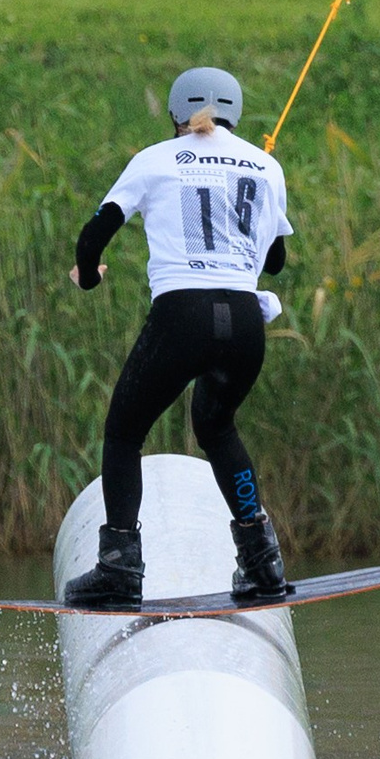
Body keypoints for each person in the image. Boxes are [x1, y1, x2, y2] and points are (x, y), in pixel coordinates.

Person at [61, 66, 294, 610]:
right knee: (216, 426)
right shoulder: (265, 165)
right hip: (242, 323)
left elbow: (94, 234)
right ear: (234, 112)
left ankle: (119, 568)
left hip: (181, 317)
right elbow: (276, 262)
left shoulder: (154, 159)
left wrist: (90, 276)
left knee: (124, 433)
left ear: (174, 113)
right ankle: (262, 566)